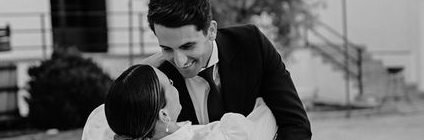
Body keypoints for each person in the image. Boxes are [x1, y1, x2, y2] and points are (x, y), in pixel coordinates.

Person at [145, 0, 311, 140]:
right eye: (167, 48)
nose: (180, 61)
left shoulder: (251, 45)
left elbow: (295, 125)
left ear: (211, 30)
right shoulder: (160, 78)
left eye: (187, 46)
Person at [81, 64, 277, 140]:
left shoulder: (100, 128)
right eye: (170, 83)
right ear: (164, 114)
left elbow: (122, 98)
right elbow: (270, 113)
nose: (176, 86)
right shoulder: (221, 136)